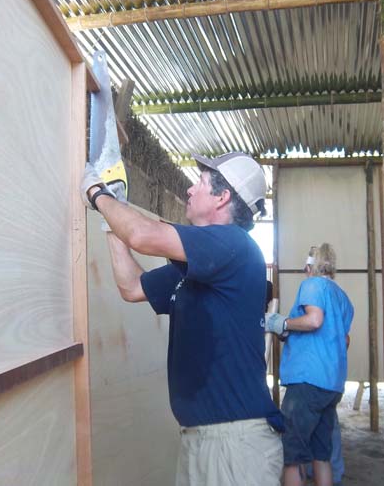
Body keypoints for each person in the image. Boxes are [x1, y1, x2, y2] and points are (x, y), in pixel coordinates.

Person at [81, 151, 284, 486]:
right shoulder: (197, 266)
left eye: (200, 182)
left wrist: (97, 194)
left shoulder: (234, 245)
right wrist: (111, 225)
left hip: (235, 443)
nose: (190, 189)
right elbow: (132, 287)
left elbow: (142, 235)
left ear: (222, 197)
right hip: (200, 437)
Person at [266, 244, 354, 486]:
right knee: (321, 454)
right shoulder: (342, 297)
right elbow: (343, 339)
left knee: (292, 455)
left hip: (307, 380)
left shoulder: (312, 285)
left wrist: (283, 323)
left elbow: (314, 320)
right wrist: (292, 332)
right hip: (331, 384)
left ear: (309, 267)